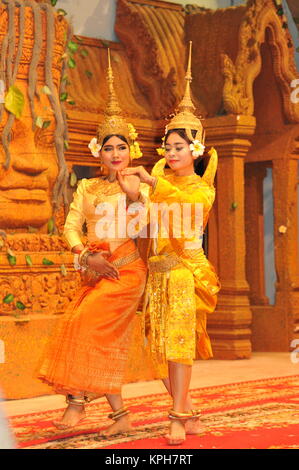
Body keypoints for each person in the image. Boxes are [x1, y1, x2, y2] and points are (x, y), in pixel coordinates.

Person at [37, 50, 147, 436]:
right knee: (89, 334)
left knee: (85, 326)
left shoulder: (137, 186)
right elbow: (70, 227)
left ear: (130, 150)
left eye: (121, 148)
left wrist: (135, 195)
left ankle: (77, 403)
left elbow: (142, 226)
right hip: (96, 270)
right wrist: (85, 256)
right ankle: (120, 418)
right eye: (108, 148)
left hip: (127, 270)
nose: (115, 154)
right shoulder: (86, 186)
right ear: (97, 151)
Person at [121, 42, 220, 445]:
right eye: (168, 146)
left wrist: (151, 183)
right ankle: (189, 409)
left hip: (184, 274)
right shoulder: (159, 185)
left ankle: (177, 415)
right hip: (157, 275)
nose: (171, 152)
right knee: (156, 352)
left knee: (179, 347)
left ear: (195, 151)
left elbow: (186, 210)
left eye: (179, 147)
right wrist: (132, 198)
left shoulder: (201, 189)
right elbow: (143, 224)